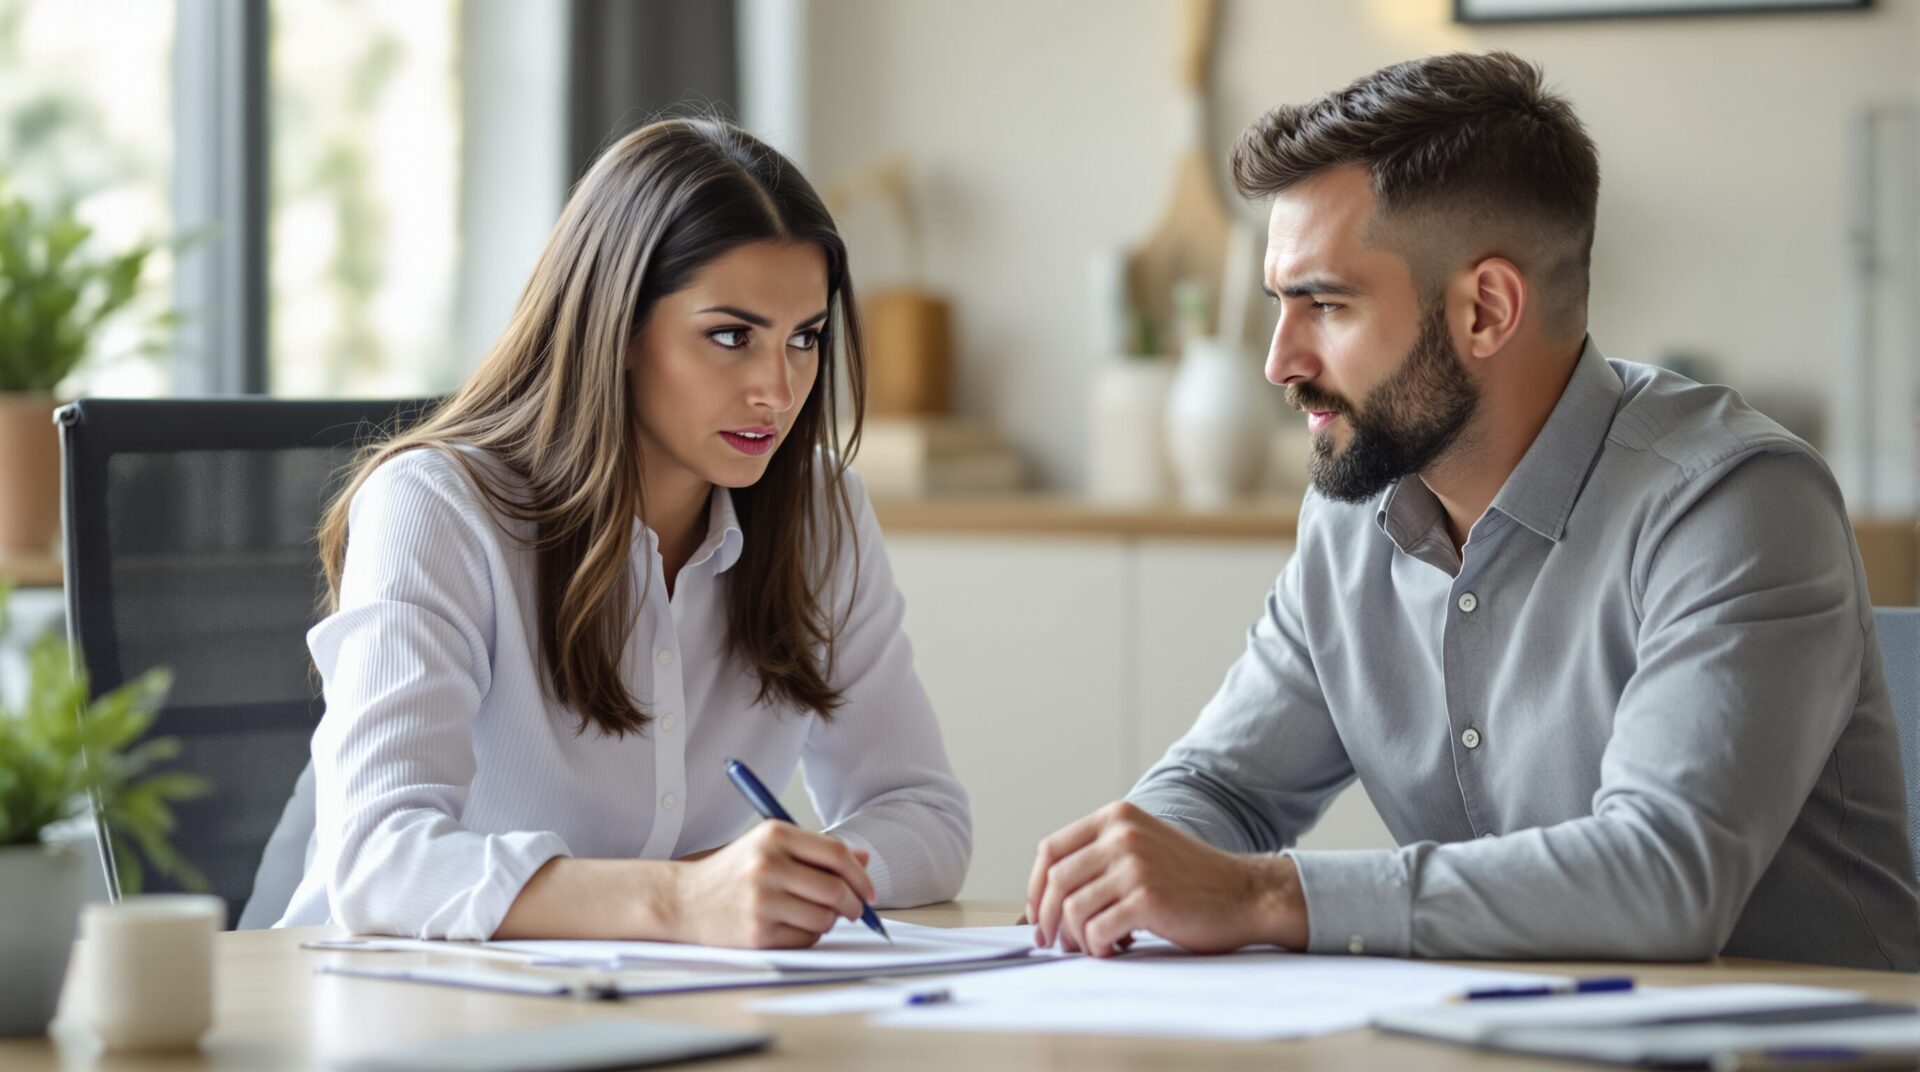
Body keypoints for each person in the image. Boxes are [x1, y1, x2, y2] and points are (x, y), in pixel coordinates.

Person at [1027, 51, 1919, 970]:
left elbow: (1663, 878)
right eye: (1278, 307)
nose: (1279, 362)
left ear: (1486, 310)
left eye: (1324, 304)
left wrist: (1263, 893)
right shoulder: (1353, 512)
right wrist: (1135, 873)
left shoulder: (1737, 504)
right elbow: (1222, 786)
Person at [274, 118, 971, 946]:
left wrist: (775, 881)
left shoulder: (820, 513)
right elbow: (380, 864)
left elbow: (924, 816)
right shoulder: (436, 507)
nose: (778, 392)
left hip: (658, 1003)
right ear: (620, 326)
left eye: (804, 340)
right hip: (393, 1007)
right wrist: (681, 899)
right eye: (730, 336)